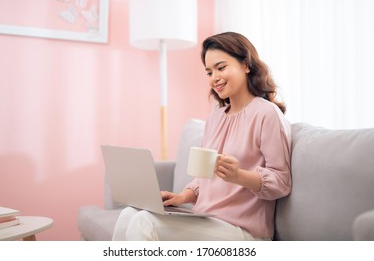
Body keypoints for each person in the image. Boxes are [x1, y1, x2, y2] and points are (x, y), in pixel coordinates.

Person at [112, 32, 291, 241]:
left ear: (246, 65)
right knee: (128, 214)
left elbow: (281, 182)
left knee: (144, 222)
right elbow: (205, 179)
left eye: (221, 68)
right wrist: (182, 197)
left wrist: (238, 176)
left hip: (242, 231)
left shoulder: (266, 114)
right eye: (209, 72)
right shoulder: (215, 118)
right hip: (206, 220)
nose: (214, 77)